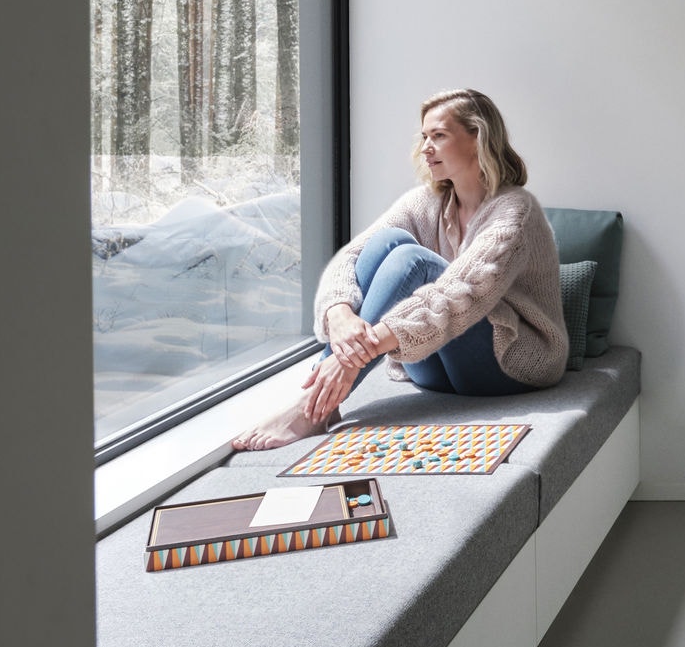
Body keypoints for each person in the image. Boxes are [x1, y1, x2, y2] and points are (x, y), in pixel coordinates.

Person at [232, 89, 568, 450]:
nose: (426, 147)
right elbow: (352, 256)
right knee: (388, 241)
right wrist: (340, 315)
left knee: (415, 262)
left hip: (509, 362)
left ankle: (310, 406)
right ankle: (320, 401)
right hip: (432, 365)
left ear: (478, 138)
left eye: (439, 135)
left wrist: (352, 358)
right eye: (424, 137)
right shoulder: (427, 202)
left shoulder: (515, 211)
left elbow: (458, 296)